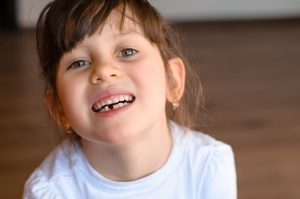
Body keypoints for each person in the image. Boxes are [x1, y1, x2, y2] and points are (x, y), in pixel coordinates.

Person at [23, 0, 237, 198]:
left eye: (127, 52)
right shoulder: (50, 192)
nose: (104, 70)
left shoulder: (210, 165)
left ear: (172, 80)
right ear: (58, 108)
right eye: (78, 63)